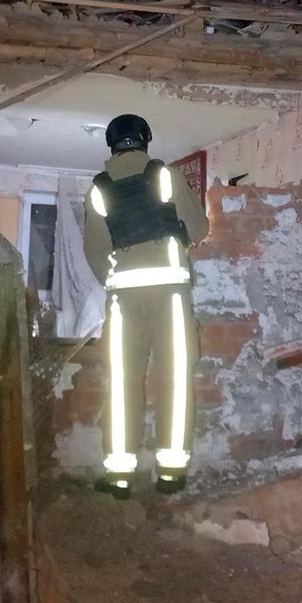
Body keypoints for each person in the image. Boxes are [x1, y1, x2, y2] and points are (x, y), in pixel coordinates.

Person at [83, 114, 209, 497]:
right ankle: (170, 473)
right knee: (174, 380)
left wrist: (116, 280)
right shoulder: (167, 176)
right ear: (145, 139)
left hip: (123, 301)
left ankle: (119, 476)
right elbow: (199, 230)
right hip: (170, 296)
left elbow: (94, 251)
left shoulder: (98, 190)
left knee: (122, 384)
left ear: (111, 144)